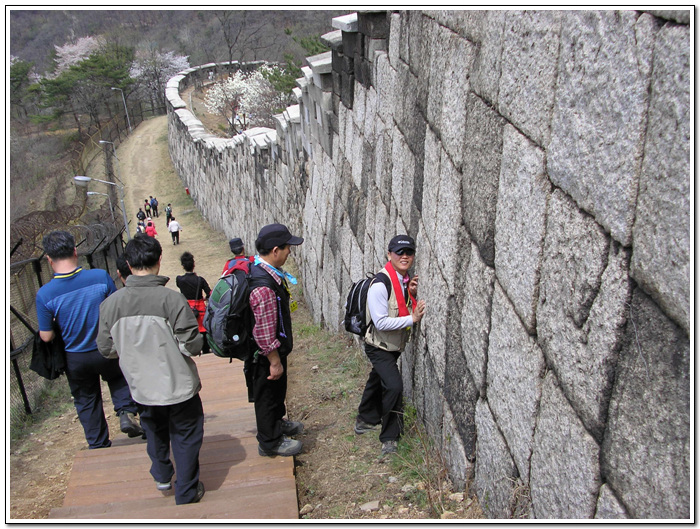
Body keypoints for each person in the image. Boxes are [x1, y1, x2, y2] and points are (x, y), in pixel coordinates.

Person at [97, 234, 205, 505]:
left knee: (154, 429)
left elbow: (106, 349)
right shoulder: (172, 300)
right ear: (159, 261)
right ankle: (187, 491)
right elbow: (191, 346)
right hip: (178, 385)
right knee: (186, 434)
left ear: (128, 265)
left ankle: (161, 475)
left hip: (141, 387)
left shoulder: (110, 305)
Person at [35, 231, 143, 450]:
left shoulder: (45, 294)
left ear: (48, 259)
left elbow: (46, 336)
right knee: (119, 377)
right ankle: (125, 412)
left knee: (85, 397)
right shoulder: (99, 277)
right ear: (75, 251)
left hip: (76, 357)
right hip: (107, 348)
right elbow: (116, 309)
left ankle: (98, 442)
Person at [354, 235, 426, 456]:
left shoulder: (403, 281)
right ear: (389, 255)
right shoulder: (381, 284)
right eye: (399, 253)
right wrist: (412, 319)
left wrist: (410, 294)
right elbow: (381, 322)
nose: (404, 257)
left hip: (392, 346)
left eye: (409, 253)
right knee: (394, 386)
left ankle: (365, 419)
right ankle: (389, 438)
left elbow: (398, 305)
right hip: (379, 346)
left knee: (378, 379)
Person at [249, 223, 305, 457]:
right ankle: (269, 441)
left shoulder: (267, 273)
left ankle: (277, 423)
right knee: (267, 396)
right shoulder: (263, 286)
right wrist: (274, 359)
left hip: (271, 352)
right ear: (275, 251)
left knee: (276, 391)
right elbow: (263, 331)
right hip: (264, 356)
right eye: (287, 248)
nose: (289, 252)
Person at [176, 251, 211, 355]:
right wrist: (205, 298)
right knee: (203, 330)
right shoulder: (200, 280)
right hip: (200, 308)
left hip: (187, 309)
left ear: (183, 266)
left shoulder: (179, 280)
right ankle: (205, 350)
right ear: (193, 264)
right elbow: (209, 293)